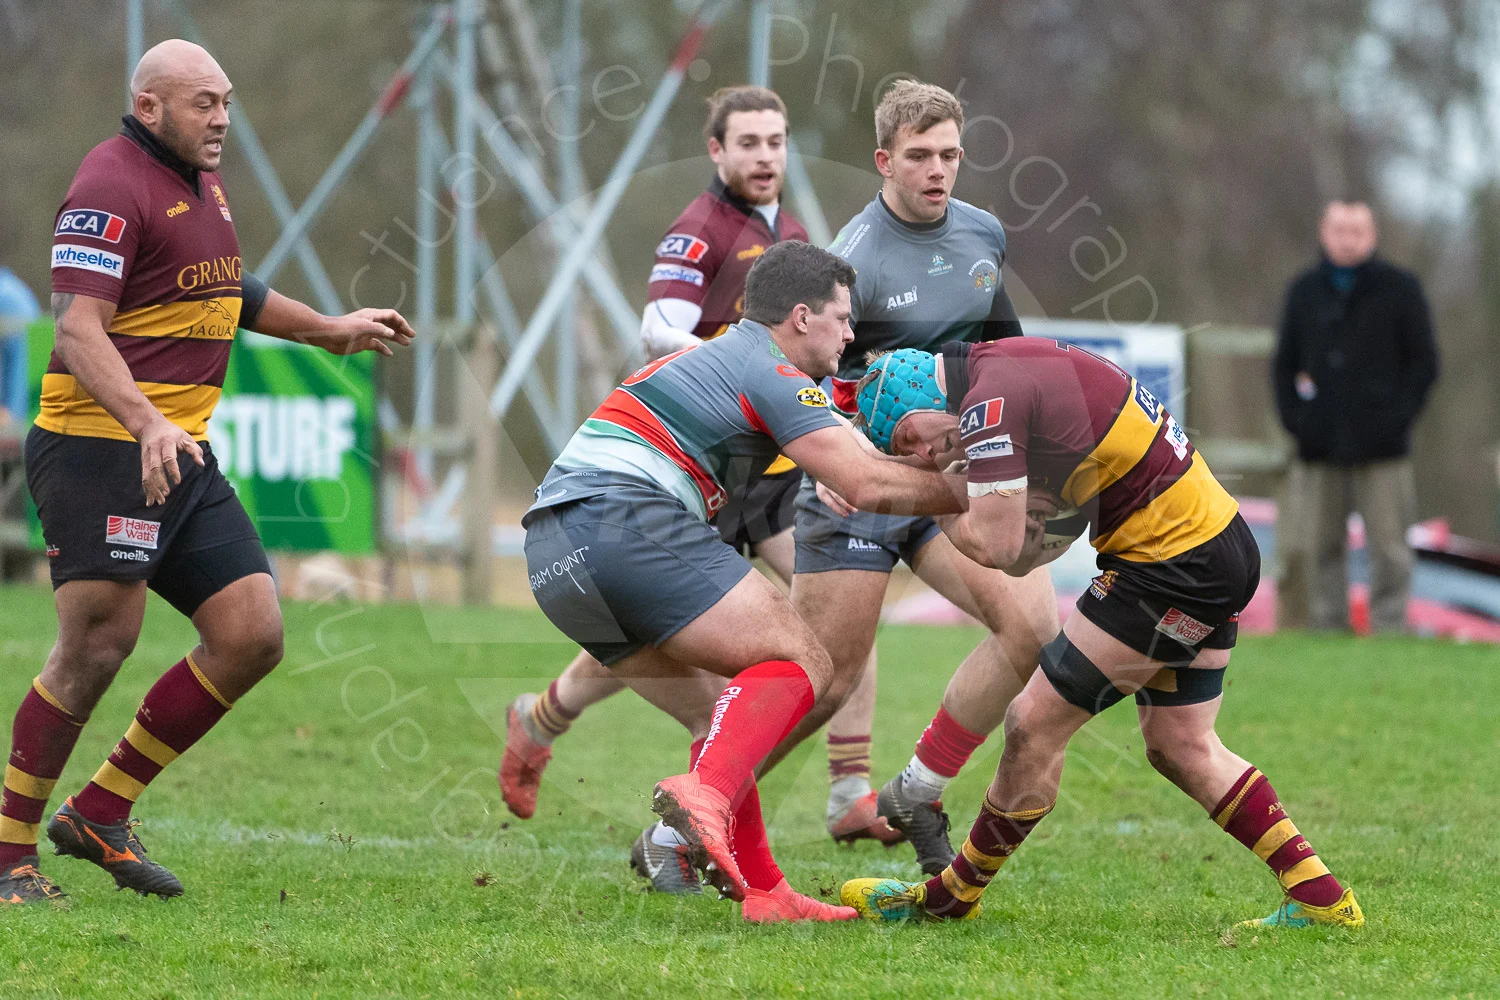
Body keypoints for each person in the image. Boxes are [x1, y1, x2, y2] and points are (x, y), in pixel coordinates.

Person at [0, 40, 413, 905]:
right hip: (100, 450)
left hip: (178, 450)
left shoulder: (199, 180)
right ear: (149, 107)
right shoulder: (109, 184)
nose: (222, 117)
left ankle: (100, 812)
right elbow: (78, 328)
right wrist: (146, 421)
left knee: (251, 633)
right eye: (202, 103)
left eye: (225, 100)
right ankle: (7, 858)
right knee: (95, 647)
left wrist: (327, 328)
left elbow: (228, 287)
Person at [498, 86, 894, 892]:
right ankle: (549, 720)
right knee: (760, 655)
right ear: (716, 151)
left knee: (837, 602)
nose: (764, 155)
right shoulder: (699, 228)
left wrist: (816, 428)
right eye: (747, 141)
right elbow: (655, 329)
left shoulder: (790, 239)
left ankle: (833, 799)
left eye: (776, 140)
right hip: (678, 472)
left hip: (752, 471)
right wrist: (743, 371)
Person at [839, 343, 1363, 930]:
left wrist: (925, 502)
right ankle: (1320, 897)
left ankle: (951, 896)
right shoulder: (1012, 374)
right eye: (903, 452)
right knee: (1181, 745)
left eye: (912, 436)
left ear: (929, 395)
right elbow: (1024, 555)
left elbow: (997, 545)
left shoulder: (990, 400)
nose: (925, 454)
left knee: (1032, 723)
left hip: (1171, 563)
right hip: (1215, 546)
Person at [521, 241, 965, 922]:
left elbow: (841, 453)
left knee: (717, 716)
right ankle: (706, 797)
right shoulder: (771, 368)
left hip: (553, 560)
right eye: (842, 318)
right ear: (800, 317)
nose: (851, 334)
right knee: (803, 659)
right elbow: (865, 480)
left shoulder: (717, 357)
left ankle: (766, 893)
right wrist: (975, 492)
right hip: (621, 519)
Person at [786, 80, 1058, 876]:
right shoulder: (849, 260)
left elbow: (1006, 350)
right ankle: (690, 810)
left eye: (948, 155)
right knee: (822, 685)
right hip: (859, 485)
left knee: (1032, 631)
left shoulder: (983, 235)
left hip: (950, 480)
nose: (937, 170)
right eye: (919, 156)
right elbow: (801, 377)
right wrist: (833, 455)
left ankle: (916, 787)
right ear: (883, 160)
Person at [1273, 200, 1438, 633]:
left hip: (1383, 446)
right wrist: (1298, 420)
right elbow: (1283, 364)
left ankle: (1390, 627)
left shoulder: (1400, 288)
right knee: (1318, 545)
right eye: (1340, 230)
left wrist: (1397, 417)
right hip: (1319, 444)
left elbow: (1424, 363)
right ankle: (1327, 628)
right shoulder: (1304, 290)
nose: (1348, 240)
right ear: (1324, 233)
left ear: (1372, 235)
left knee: (1390, 547)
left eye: (1357, 231)